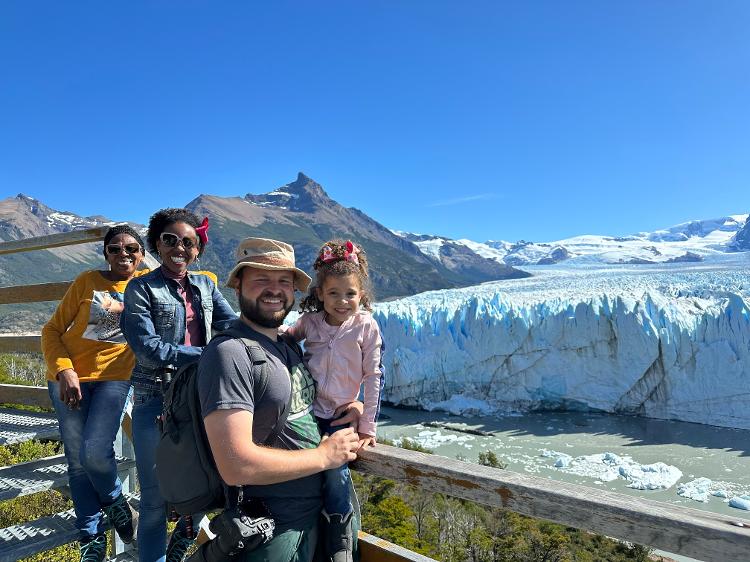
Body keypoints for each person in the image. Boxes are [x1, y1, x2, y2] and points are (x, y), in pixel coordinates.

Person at [197, 237, 362, 562]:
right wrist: (325, 457)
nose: (275, 289)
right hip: (272, 529)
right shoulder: (230, 353)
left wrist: (351, 405)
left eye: (284, 281)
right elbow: (235, 465)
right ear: (238, 286)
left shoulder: (287, 346)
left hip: (319, 520)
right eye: (261, 279)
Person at [121, 208, 237, 562]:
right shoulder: (140, 287)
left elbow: (231, 324)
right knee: (155, 500)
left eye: (189, 242)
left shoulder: (206, 284)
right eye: (170, 240)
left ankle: (179, 550)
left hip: (199, 398)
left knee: (205, 487)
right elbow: (148, 348)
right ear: (157, 244)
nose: (180, 248)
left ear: (197, 249)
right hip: (154, 398)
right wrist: (208, 354)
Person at [41, 225, 146, 562]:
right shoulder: (88, 281)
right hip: (67, 378)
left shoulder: (150, 285)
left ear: (143, 253)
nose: (123, 254)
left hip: (116, 378)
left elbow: (202, 279)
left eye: (131, 248)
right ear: (105, 254)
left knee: (95, 453)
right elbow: (52, 329)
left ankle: (115, 501)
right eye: (114, 249)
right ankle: (90, 536)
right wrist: (64, 370)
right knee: (77, 462)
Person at [284, 239, 382, 562]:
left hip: (342, 416)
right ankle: (308, 529)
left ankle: (339, 528)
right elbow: (284, 339)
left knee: (337, 468)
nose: (343, 301)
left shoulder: (366, 327)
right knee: (310, 469)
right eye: (334, 293)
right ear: (320, 295)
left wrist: (367, 425)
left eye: (350, 294)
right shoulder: (310, 324)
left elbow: (374, 376)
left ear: (362, 296)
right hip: (310, 413)